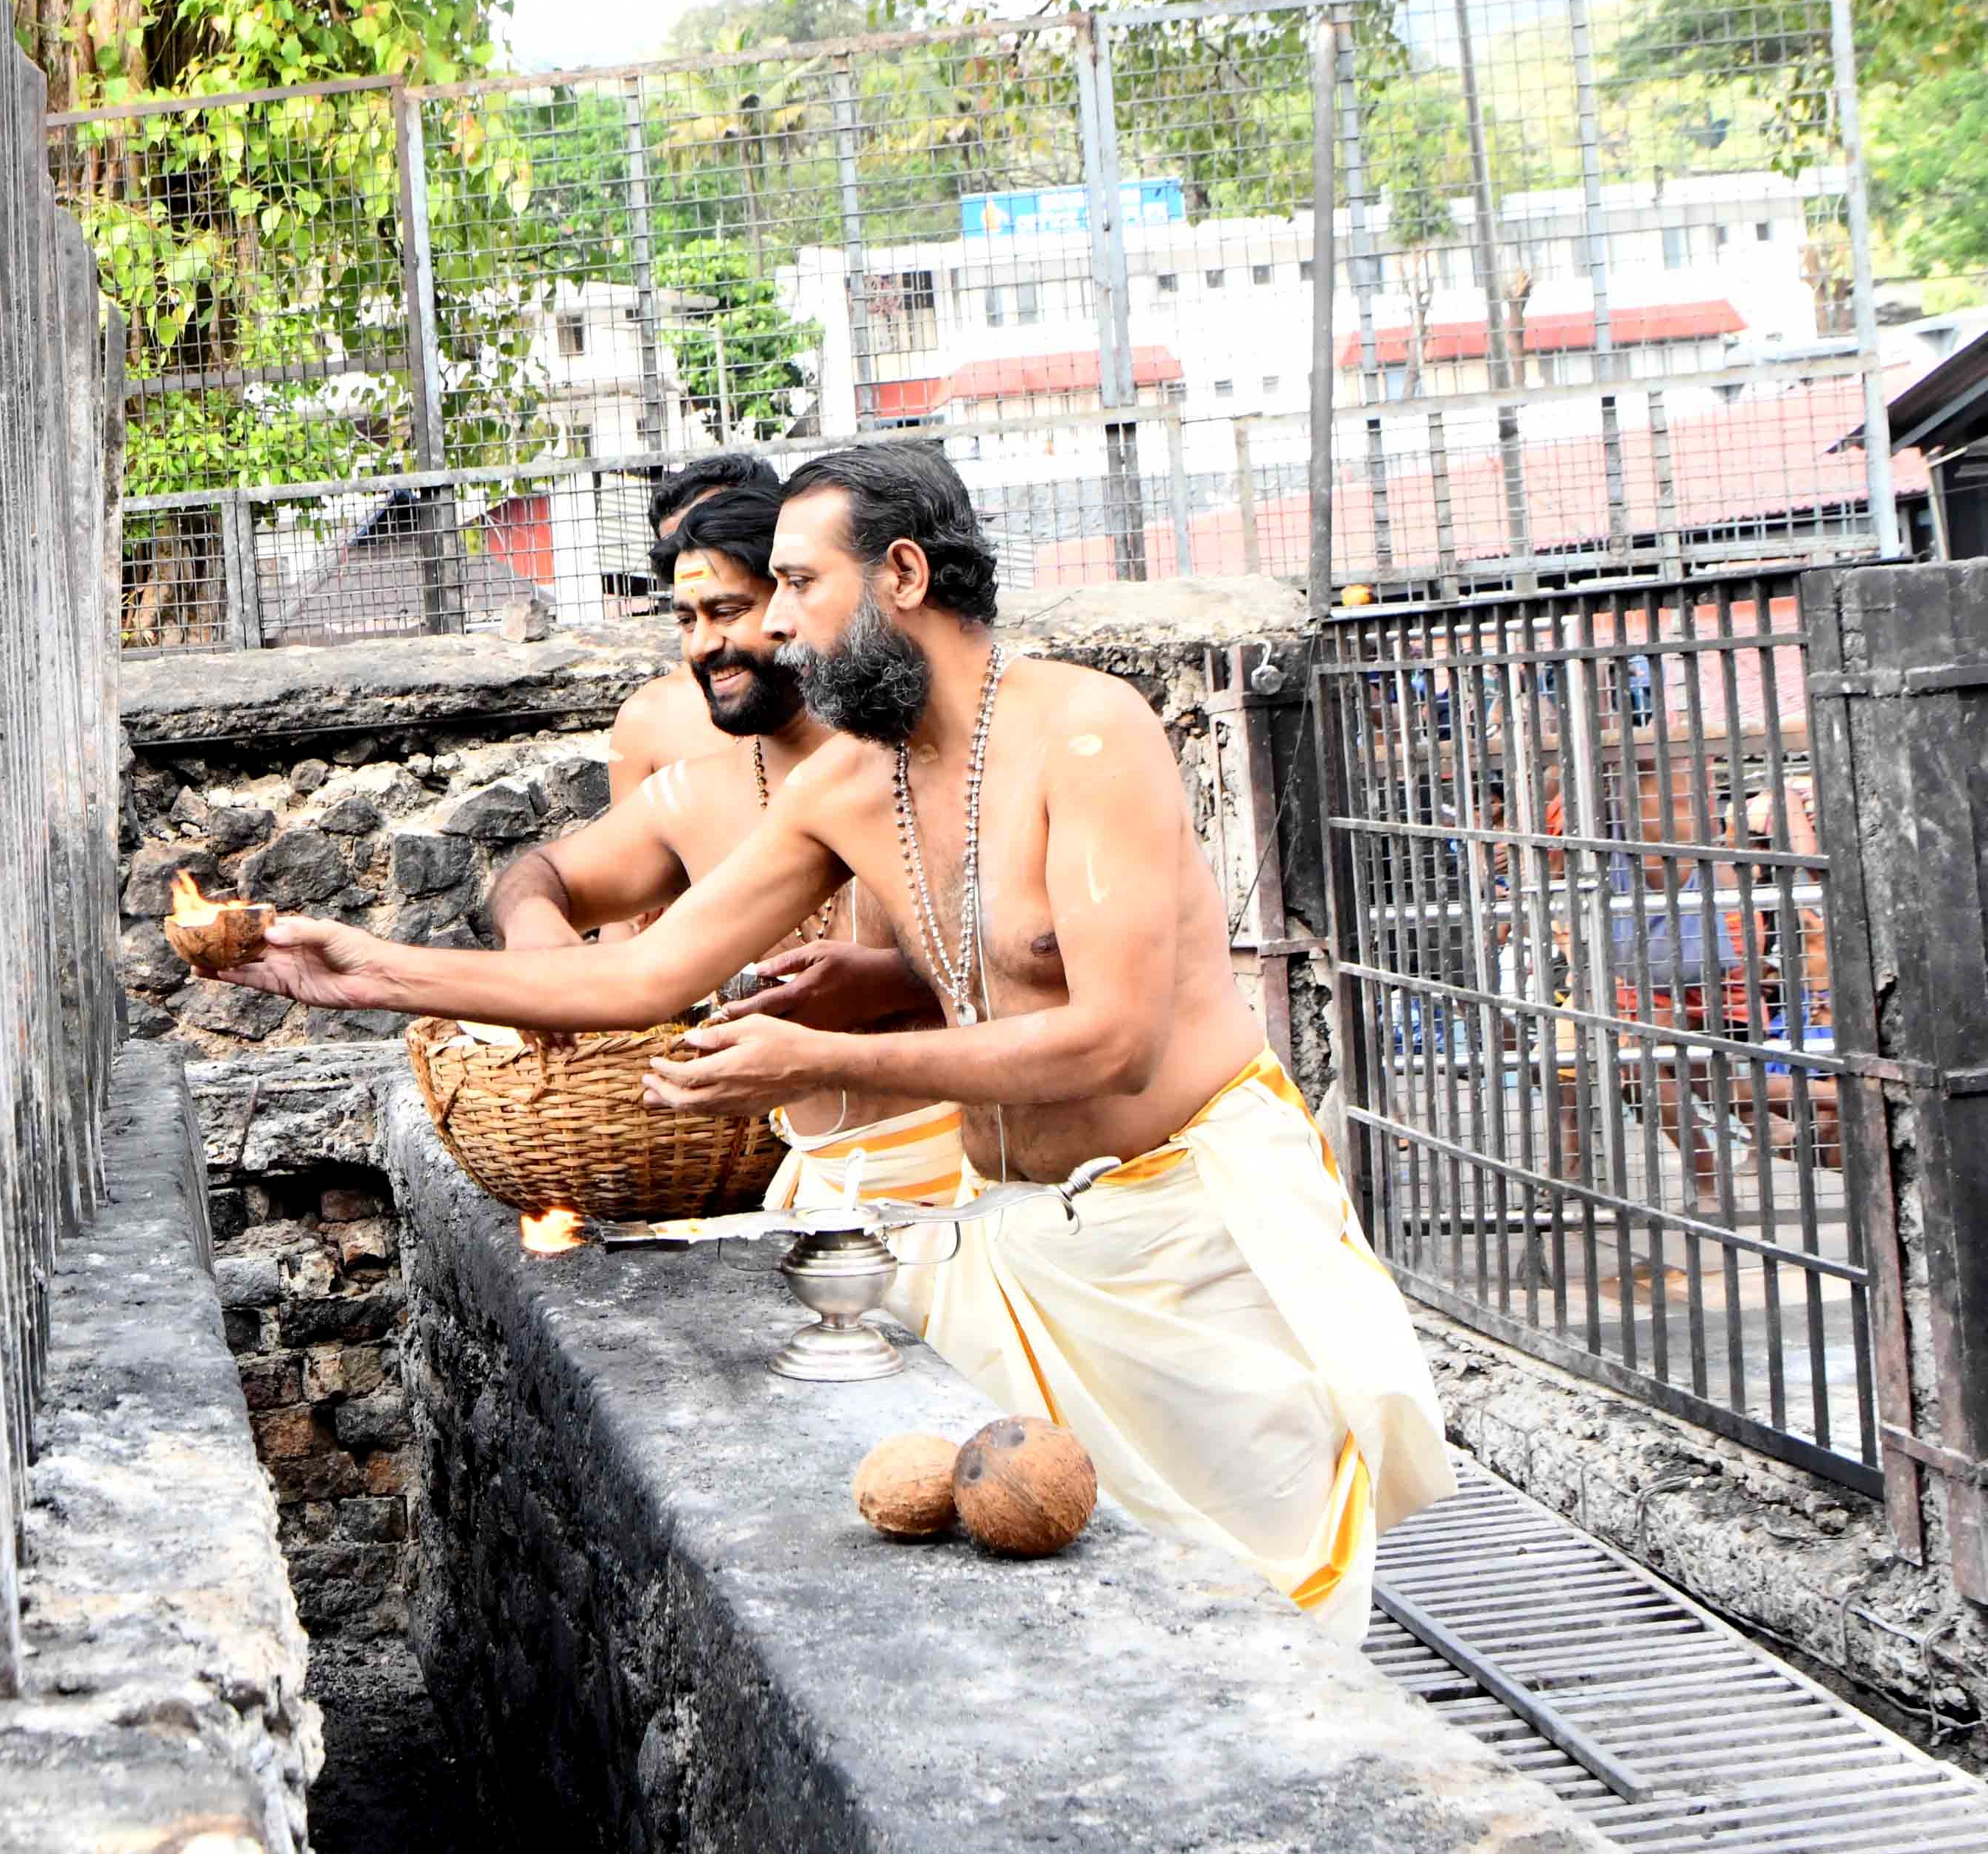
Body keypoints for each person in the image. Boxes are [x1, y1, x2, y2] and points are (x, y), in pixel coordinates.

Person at [231, 443, 1449, 1631]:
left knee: (1261, 1633)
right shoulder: (848, 784)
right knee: (1070, 1617)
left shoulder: (1087, 731)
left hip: (1192, 1238)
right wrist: (369, 967)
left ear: (903, 575)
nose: (777, 628)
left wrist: (826, 1058)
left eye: (801, 586)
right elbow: (652, 969)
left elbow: (1109, 1044)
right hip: (1020, 1238)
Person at [485, 482, 948, 1194]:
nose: (704, 645)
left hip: (975, 1175)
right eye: (685, 619)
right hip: (819, 1190)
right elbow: (545, 874)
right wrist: (531, 926)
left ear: (795, 602)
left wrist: (894, 984)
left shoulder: (927, 765)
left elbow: (1046, 973)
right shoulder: (694, 792)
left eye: (729, 611)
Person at [603, 454, 787, 805]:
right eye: (677, 551)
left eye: (719, 533)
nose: (697, 557)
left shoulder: (849, 707)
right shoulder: (648, 720)